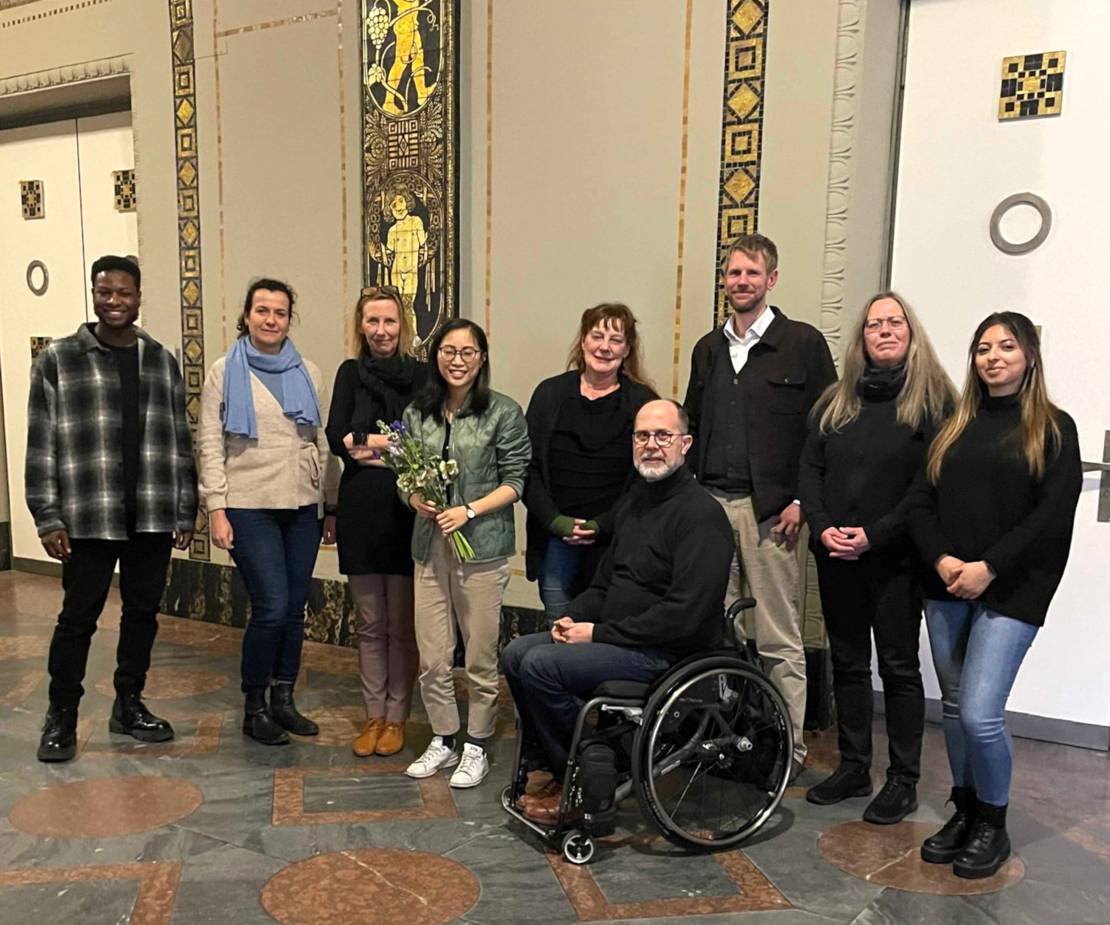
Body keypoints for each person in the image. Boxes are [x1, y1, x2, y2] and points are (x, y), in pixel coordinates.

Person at [502, 399, 734, 823]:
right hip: (623, 638)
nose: (651, 445)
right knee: (516, 653)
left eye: (662, 436)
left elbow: (684, 616)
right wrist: (572, 616)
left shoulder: (702, 515)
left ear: (685, 444)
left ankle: (589, 775)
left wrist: (598, 634)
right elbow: (606, 584)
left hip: (667, 653)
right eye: (642, 436)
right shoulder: (634, 504)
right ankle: (572, 767)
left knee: (539, 666)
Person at [908, 311, 1080, 879]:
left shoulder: (1054, 428)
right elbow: (920, 504)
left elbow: (1051, 519)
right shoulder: (953, 425)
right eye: (983, 347)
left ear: (1029, 355)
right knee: (954, 708)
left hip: (1014, 588)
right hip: (948, 583)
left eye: (1006, 346)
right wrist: (943, 559)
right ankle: (963, 808)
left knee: (980, 714)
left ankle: (993, 822)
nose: (993, 357)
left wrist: (989, 567)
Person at [27, 255, 197, 762]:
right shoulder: (59, 359)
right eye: (105, 293)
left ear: (139, 297)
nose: (114, 302)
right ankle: (61, 716)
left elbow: (179, 438)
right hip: (88, 514)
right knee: (78, 618)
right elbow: (41, 445)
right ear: (94, 294)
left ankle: (129, 704)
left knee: (143, 613)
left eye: (124, 293)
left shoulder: (161, 359)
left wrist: (184, 507)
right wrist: (47, 515)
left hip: (149, 512)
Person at [798, 292, 955, 823]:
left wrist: (875, 534)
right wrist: (822, 530)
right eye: (873, 325)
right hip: (836, 553)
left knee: (898, 667)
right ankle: (853, 766)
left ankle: (903, 779)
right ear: (861, 339)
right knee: (846, 662)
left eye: (894, 323)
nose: (884, 331)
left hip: (897, 559)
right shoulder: (835, 402)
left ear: (911, 333)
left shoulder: (935, 405)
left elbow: (926, 488)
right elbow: (809, 473)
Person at [684, 232, 836, 775]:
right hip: (711, 509)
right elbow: (692, 425)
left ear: (771, 279)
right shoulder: (709, 348)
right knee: (718, 631)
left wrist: (803, 500)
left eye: (752, 273)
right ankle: (731, 736)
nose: (741, 282)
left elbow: (825, 432)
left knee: (777, 635)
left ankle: (788, 749)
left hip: (773, 515)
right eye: (732, 273)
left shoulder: (803, 344)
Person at [198, 278, 334, 746]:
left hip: (301, 503)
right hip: (249, 502)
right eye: (262, 311)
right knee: (272, 606)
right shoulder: (224, 370)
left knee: (295, 608)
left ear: (289, 318)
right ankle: (253, 704)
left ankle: (283, 697)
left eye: (279, 312)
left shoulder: (309, 371)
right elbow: (210, 443)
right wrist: (216, 507)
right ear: (248, 315)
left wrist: (328, 502)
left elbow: (320, 438)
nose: (271, 320)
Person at [401, 318, 530, 788]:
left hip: (483, 550)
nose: (458, 361)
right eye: (449, 351)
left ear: (481, 358)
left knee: (479, 656)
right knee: (433, 655)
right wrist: (414, 498)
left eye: (468, 352)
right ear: (437, 357)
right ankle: (444, 736)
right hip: (429, 547)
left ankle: (476, 743)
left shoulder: (503, 412)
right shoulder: (419, 412)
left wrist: (469, 511)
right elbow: (405, 476)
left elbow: (516, 482)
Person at [325, 287, 426, 758]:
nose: (381, 331)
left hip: (408, 510)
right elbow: (335, 437)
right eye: (372, 322)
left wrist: (370, 446)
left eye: (389, 322)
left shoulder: (422, 376)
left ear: (401, 325)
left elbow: (421, 444)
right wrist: (389, 446)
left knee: (401, 624)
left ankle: (398, 715)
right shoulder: (350, 373)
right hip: (360, 510)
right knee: (369, 622)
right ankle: (373, 715)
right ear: (360, 326)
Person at [523, 303, 656, 622]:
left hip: (613, 540)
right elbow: (528, 468)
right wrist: (556, 522)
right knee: (559, 624)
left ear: (627, 349)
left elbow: (646, 480)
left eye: (615, 340)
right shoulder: (549, 394)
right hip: (556, 536)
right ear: (583, 341)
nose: (604, 347)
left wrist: (602, 525)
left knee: (603, 624)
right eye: (597, 336)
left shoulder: (642, 402)